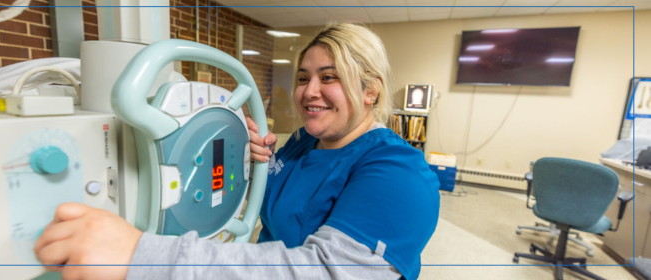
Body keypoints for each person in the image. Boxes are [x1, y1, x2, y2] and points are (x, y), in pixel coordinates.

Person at [33, 23, 440, 280]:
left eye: (328, 78)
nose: (308, 92)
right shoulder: (303, 142)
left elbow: (324, 272)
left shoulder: (399, 173)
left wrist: (140, 254)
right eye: (303, 77)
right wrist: (241, 161)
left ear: (372, 92)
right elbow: (260, 206)